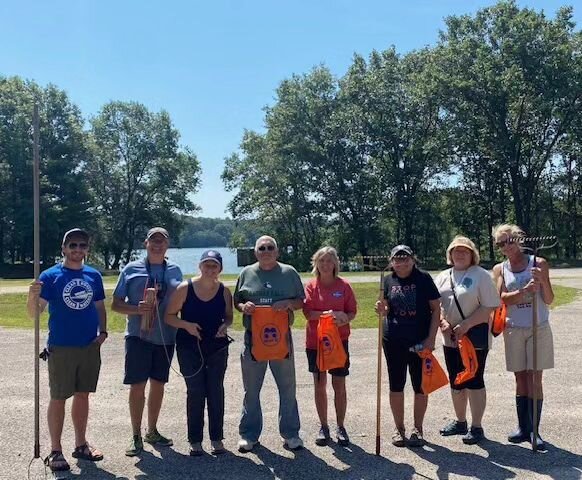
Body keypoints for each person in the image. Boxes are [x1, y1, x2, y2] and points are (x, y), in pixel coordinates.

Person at [27, 228, 107, 473]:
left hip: (89, 346)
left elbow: (100, 306)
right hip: (61, 346)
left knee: (83, 395)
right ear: (64, 248)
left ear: (87, 249)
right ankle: (55, 450)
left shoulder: (94, 275)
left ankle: (81, 444)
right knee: (59, 397)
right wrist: (32, 296)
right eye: (73, 245)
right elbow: (34, 313)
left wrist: (103, 333)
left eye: (82, 245)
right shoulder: (50, 276)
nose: (77, 250)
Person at [112, 227, 183, 456]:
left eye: (162, 241)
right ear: (146, 243)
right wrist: (136, 309)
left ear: (167, 245)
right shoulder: (131, 269)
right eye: (153, 241)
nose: (157, 245)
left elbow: (182, 300)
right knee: (137, 386)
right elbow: (115, 304)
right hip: (138, 336)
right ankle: (135, 435)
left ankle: (152, 430)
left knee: (159, 384)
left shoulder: (174, 270)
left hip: (166, 336)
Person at [234, 235, 305, 452]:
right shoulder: (246, 273)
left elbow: (301, 301)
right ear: (255, 252)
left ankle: (291, 434)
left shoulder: (289, 272)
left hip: (281, 339)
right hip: (253, 339)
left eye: (270, 247)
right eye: (262, 248)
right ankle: (249, 434)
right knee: (252, 390)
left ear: (277, 251)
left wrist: (289, 304)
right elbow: (236, 300)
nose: (266, 251)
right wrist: (243, 306)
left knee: (287, 388)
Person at [165, 250, 233, 456]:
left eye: (214, 265)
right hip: (189, 347)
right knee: (195, 392)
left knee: (215, 391)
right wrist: (186, 325)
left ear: (220, 269)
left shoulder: (223, 291)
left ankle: (216, 439)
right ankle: (195, 440)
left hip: (216, 348)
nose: (210, 269)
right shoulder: (185, 288)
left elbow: (229, 317)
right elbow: (169, 316)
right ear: (200, 266)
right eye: (207, 264)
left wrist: (225, 326)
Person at [492, 224, 554, 450]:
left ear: (519, 239)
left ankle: (536, 431)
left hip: (538, 326)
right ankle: (523, 427)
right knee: (520, 379)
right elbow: (501, 299)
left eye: (509, 240)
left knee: (535, 378)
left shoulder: (538, 263)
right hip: (513, 328)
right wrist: (525, 291)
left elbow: (548, 299)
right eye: (500, 243)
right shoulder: (500, 269)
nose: (505, 246)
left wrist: (542, 281)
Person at [434, 236, 500, 444]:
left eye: (465, 250)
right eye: (456, 250)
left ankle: (477, 426)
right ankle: (460, 421)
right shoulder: (443, 276)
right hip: (450, 337)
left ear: (472, 254)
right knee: (456, 380)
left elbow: (489, 306)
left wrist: (467, 325)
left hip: (474, 336)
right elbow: (436, 306)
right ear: (450, 254)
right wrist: (442, 322)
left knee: (474, 379)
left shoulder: (480, 275)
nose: (460, 254)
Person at [374, 245, 440, 447]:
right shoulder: (387, 279)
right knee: (396, 384)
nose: (401, 263)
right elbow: (385, 309)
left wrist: (431, 338)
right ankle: (399, 428)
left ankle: (417, 429)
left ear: (413, 259)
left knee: (420, 386)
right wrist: (380, 309)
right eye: (397, 259)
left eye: (405, 259)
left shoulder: (423, 278)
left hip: (419, 340)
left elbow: (436, 309)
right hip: (393, 340)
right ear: (391, 261)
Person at [303, 246, 357, 446]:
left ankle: (340, 426)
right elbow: (308, 313)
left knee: (339, 385)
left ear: (335, 263)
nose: (325, 264)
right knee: (319, 386)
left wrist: (344, 318)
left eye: (329, 260)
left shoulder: (344, 286)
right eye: (322, 260)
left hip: (338, 342)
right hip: (315, 343)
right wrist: (333, 314)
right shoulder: (311, 286)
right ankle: (323, 426)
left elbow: (352, 312)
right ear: (316, 263)